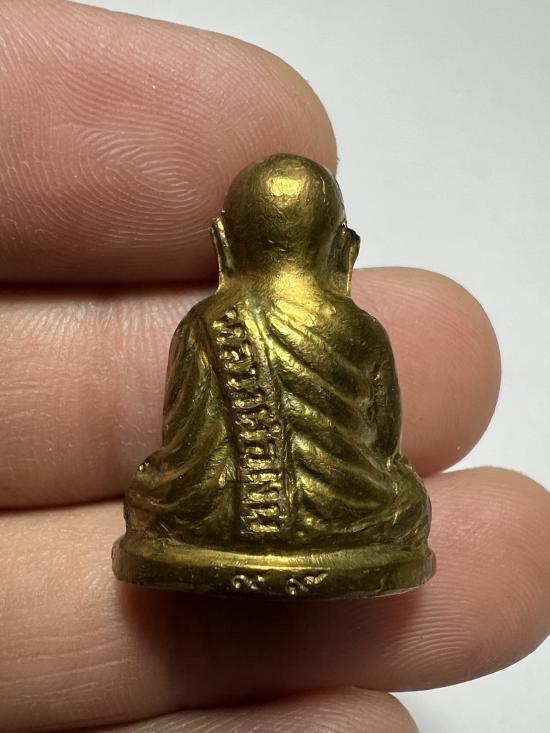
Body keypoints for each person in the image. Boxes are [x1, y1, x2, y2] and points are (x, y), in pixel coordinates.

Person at [0, 2, 548, 731]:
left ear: (225, 247)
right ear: (343, 250)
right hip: (351, 524)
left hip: (210, 526)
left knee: (152, 487)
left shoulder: (206, 324)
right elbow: (383, 443)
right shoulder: (359, 329)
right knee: (403, 498)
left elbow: (183, 445)